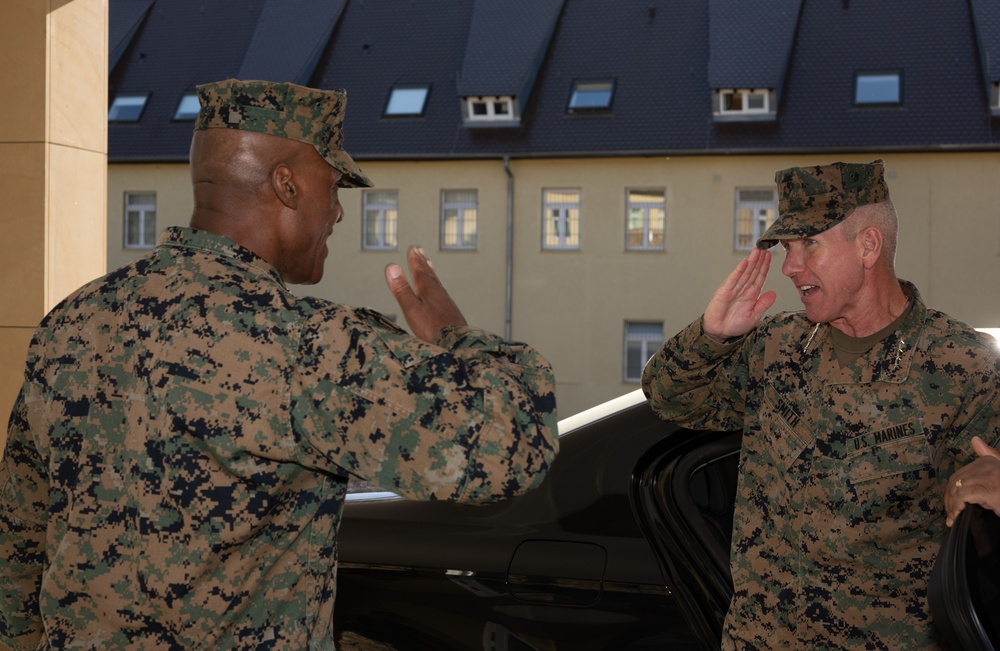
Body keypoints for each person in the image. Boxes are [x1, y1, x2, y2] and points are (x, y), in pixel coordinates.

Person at [0, 79, 560, 650]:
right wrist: (454, 335)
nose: (339, 212)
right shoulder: (305, 347)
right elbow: (515, 444)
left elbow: (18, 543)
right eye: (334, 185)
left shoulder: (72, 321)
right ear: (287, 185)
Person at [642, 159, 1000, 649]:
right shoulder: (776, 347)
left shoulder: (963, 365)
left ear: (868, 246)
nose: (790, 266)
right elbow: (670, 399)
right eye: (788, 248)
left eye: (809, 243)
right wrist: (711, 336)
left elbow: (988, 519)